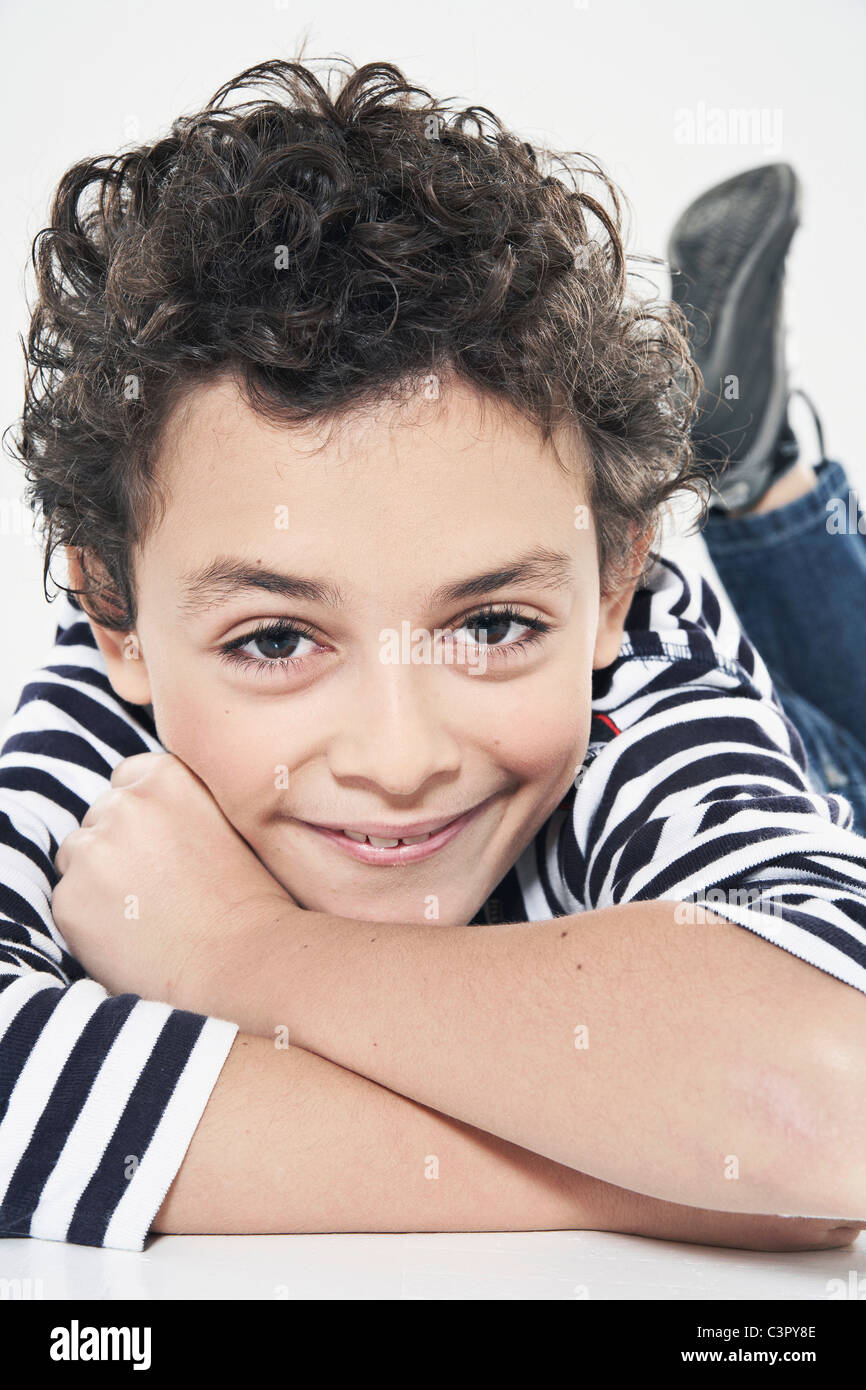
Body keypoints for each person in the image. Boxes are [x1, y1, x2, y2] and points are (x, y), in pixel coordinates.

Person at [1, 57, 865, 1257]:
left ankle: (760, 480)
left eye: (492, 624)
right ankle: (740, 459)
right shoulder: (105, 748)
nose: (400, 759)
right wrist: (673, 1175)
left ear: (612, 586)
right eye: (275, 639)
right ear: (117, 619)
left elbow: (832, 1096)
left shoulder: (639, 698)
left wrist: (243, 951)